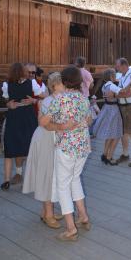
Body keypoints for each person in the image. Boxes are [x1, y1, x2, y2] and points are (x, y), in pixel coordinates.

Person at [42, 66, 93, 242]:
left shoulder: (60, 100)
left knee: (63, 186)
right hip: (83, 146)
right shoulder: (84, 99)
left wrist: (59, 126)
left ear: (63, 81)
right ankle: (83, 216)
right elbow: (89, 119)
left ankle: (71, 228)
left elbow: (43, 122)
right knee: (75, 179)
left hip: (66, 147)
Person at [22, 72, 75, 229]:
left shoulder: (58, 100)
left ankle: (45, 211)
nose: (65, 86)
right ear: (55, 86)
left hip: (52, 139)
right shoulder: (48, 101)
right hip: (46, 139)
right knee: (47, 174)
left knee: (52, 174)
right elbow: (44, 123)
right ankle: (48, 214)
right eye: (62, 84)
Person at [0, 63, 39, 189]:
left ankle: (6, 180)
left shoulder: (6, 85)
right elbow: (43, 95)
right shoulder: (31, 83)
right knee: (30, 144)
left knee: (10, 146)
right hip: (28, 116)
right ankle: (34, 177)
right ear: (24, 71)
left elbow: (6, 99)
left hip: (14, 116)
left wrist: (9, 104)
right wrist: (33, 101)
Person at [94, 69, 123, 165]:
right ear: (111, 76)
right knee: (116, 134)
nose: (115, 76)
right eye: (114, 75)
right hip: (113, 109)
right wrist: (130, 84)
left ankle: (105, 154)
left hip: (107, 108)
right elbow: (122, 92)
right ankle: (109, 157)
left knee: (110, 134)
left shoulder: (104, 85)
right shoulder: (112, 86)